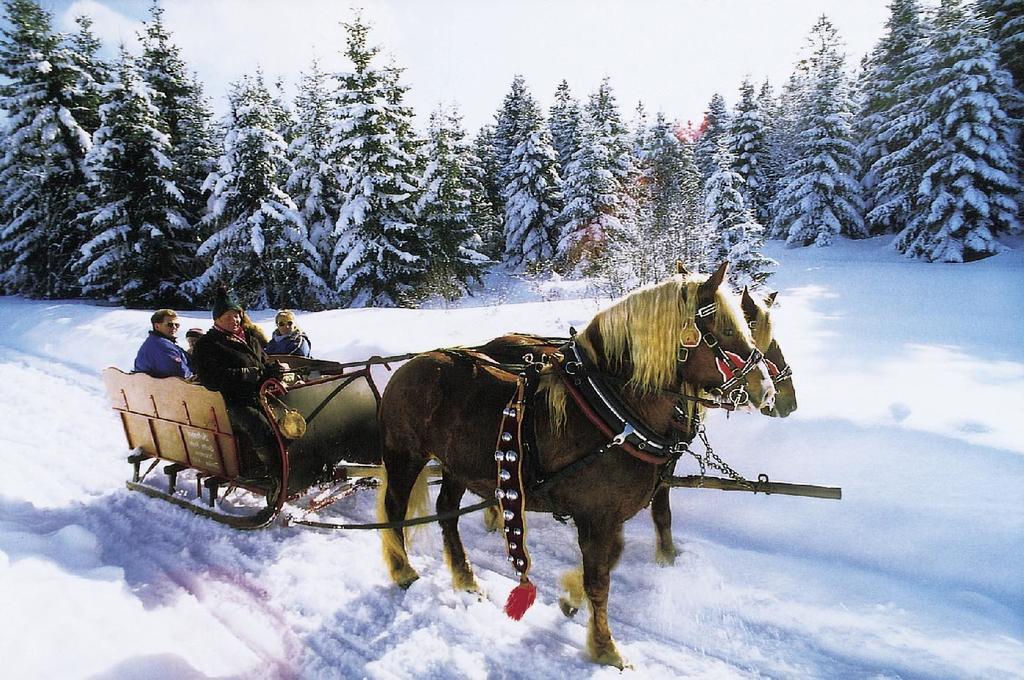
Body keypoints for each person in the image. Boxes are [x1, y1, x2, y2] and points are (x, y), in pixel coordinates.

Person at [192, 286, 288, 482]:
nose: (234, 320)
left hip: (259, 395)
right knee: (259, 426)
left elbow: (262, 365)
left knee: (290, 419)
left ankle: (292, 462)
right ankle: (273, 474)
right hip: (231, 403)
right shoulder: (208, 344)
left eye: (237, 315)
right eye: (228, 316)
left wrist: (272, 371)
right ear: (216, 319)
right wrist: (245, 375)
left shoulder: (249, 338)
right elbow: (211, 379)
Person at [133, 309, 193, 379]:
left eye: (177, 325)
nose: (174, 327)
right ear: (157, 326)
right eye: (170, 325)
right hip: (163, 387)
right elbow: (180, 373)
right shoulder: (161, 346)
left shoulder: (157, 342)